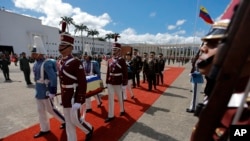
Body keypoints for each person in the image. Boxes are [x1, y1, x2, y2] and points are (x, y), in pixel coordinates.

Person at [195, 19, 250, 140]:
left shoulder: (244, 106)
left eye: (214, 44)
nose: (203, 49)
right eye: (204, 44)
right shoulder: (225, 88)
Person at [58, 21, 93, 141]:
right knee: (68, 120)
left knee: (75, 120)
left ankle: (88, 129)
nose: (60, 48)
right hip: (65, 95)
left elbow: (82, 82)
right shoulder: (60, 61)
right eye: (60, 45)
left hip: (73, 94)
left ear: (70, 48)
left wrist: (79, 99)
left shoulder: (75, 62)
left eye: (63, 46)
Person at [31, 36, 65, 138]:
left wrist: (52, 91)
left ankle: (65, 121)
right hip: (38, 90)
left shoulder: (47, 63)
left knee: (51, 109)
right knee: (40, 111)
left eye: (34, 53)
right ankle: (44, 129)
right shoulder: (36, 63)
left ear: (40, 53)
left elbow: (53, 78)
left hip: (46, 90)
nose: (32, 54)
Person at [105, 41, 128, 123]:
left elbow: (125, 72)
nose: (113, 51)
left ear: (119, 50)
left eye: (115, 49)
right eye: (113, 49)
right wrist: (107, 82)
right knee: (110, 99)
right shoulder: (110, 60)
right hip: (111, 81)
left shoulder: (122, 60)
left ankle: (122, 110)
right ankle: (110, 115)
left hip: (118, 81)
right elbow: (108, 71)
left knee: (119, 97)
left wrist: (124, 83)